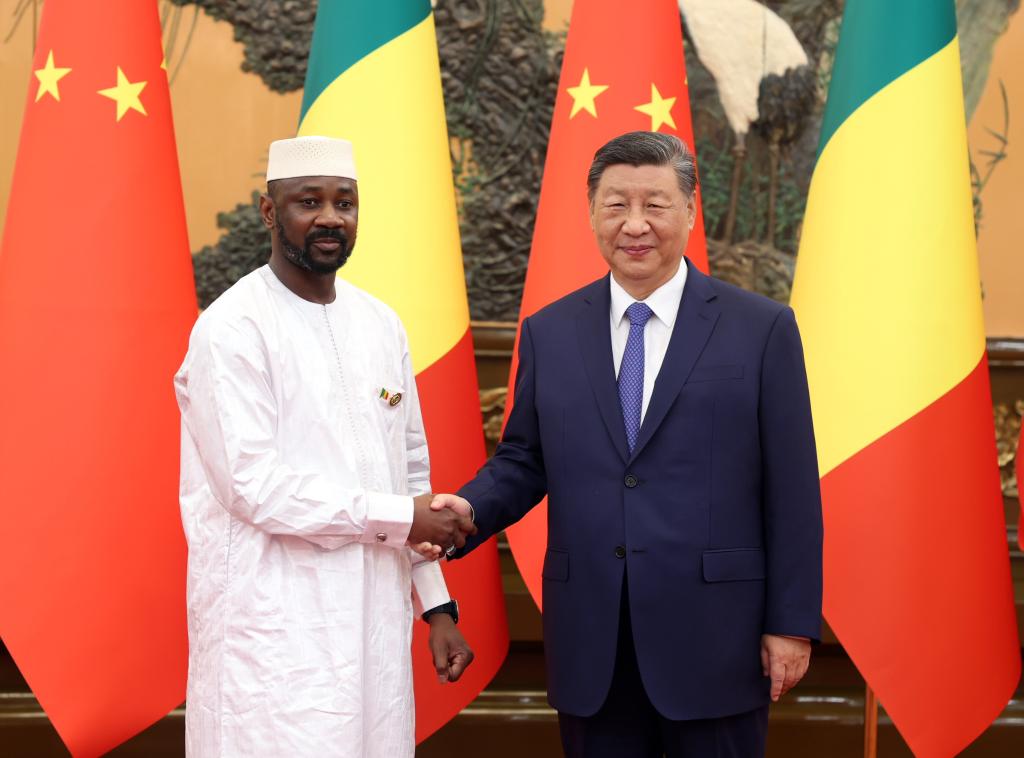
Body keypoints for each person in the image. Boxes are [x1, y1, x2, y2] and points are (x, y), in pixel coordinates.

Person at [435, 131, 823, 757]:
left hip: (718, 640)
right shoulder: (550, 331)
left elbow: (793, 489)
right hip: (594, 640)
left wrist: (791, 623)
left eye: (656, 205)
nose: (635, 225)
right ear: (592, 213)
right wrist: (470, 511)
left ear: (690, 212)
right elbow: (525, 458)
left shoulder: (761, 328)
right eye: (616, 206)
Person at [174, 135, 477, 757]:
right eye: (308, 201)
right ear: (269, 211)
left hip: (373, 632)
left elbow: (409, 472)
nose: (330, 218)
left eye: (345, 203)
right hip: (276, 638)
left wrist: (437, 607)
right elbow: (252, 487)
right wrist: (403, 516)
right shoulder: (233, 329)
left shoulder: (380, 323)